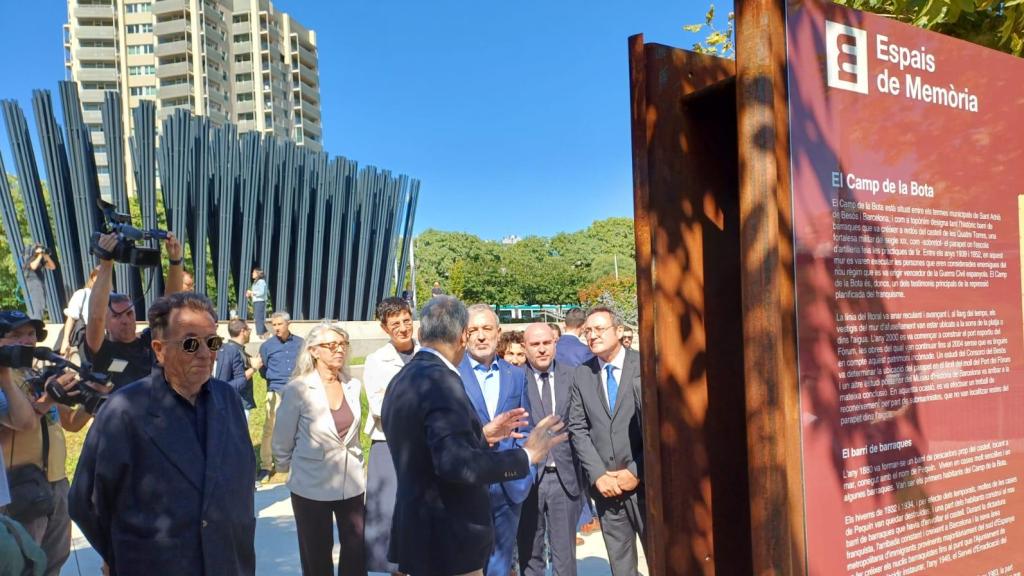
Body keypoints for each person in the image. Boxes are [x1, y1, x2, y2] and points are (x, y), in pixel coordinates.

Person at [69, 292, 256, 576]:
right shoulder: (124, 410)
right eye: (191, 343)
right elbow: (84, 501)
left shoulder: (227, 399)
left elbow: (240, 483)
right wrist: (121, 555)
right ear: (159, 349)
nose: (206, 353)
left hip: (227, 563)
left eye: (212, 341)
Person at [381, 295, 567, 576]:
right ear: (461, 337)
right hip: (448, 539)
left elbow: (432, 446)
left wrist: (482, 434)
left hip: (422, 534)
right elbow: (457, 464)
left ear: (421, 333)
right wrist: (527, 455)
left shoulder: (404, 377)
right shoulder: (441, 382)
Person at [0, 310, 93, 576]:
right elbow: (17, 428)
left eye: (30, 334)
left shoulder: (37, 375)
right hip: (20, 486)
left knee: (54, 562)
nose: (27, 341)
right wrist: (47, 401)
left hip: (56, 482)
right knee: (25, 566)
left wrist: (93, 399)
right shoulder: (3, 380)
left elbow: (71, 424)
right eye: (15, 335)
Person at [273, 323, 366, 576]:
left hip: (351, 482)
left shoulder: (352, 385)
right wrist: (285, 465)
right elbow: (282, 437)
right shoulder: (298, 389)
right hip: (310, 484)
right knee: (316, 555)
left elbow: (352, 434)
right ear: (314, 351)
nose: (340, 350)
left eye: (343, 345)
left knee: (356, 551)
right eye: (331, 345)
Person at [566, 307, 646, 576]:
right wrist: (599, 476)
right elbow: (577, 427)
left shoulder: (645, 365)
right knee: (621, 566)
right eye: (588, 331)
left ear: (620, 331)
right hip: (606, 489)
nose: (592, 335)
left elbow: (661, 428)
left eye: (599, 329)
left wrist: (636, 471)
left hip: (645, 485)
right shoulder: (582, 374)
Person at [457, 304, 533, 576]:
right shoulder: (450, 375)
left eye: (486, 329)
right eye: (473, 330)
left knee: (500, 566)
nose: (480, 336)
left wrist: (526, 474)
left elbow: (526, 427)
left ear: (498, 333)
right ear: (463, 335)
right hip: (465, 487)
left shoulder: (516, 375)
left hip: (508, 488)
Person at [517, 323, 585, 576]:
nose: (542, 349)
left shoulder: (574, 376)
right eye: (535, 344)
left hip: (565, 478)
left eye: (547, 343)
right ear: (525, 348)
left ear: (555, 343)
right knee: (530, 552)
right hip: (528, 478)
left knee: (565, 555)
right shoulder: (515, 379)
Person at [84, 232, 184, 390]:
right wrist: (106, 263)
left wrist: (176, 261)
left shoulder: (149, 342)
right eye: (116, 316)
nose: (125, 320)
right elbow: (96, 316)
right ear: (106, 323)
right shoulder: (101, 350)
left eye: (129, 313)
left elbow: (171, 305)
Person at [362, 297, 418, 574]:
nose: (403, 328)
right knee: (388, 509)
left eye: (406, 321)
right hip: (388, 444)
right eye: (395, 323)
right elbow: (378, 407)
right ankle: (395, 568)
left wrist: (396, 397)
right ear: (384, 328)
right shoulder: (375, 361)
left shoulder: (427, 353)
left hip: (423, 446)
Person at [258, 311, 304, 481]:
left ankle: (295, 463)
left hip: (297, 391)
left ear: (288, 323)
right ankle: (265, 466)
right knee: (270, 428)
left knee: (298, 427)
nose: (276, 328)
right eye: (274, 325)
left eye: (279, 324)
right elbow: (263, 370)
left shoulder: (300, 343)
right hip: (275, 390)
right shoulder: (267, 346)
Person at [214, 319, 262, 420]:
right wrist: (254, 368)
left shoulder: (234, 349)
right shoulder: (233, 351)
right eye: (249, 329)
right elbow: (232, 380)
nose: (249, 332)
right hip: (237, 404)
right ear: (242, 331)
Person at [58, 266, 99, 359]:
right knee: (89, 366)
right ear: (92, 278)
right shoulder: (82, 294)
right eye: (98, 276)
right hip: (86, 337)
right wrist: (65, 341)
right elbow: (71, 317)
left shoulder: (110, 296)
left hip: (104, 338)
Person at [21, 245, 56, 320]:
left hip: (39, 283)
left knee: (41, 304)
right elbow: (33, 266)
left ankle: (37, 323)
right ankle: (36, 325)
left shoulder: (39, 259)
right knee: (38, 305)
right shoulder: (29, 259)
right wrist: (40, 255)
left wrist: (46, 256)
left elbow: (53, 267)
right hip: (34, 284)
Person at [246, 268, 269, 338]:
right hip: (256, 301)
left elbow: (261, 292)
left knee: (259, 318)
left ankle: (260, 334)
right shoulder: (255, 282)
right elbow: (256, 293)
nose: (252, 273)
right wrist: (250, 294)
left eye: (253, 272)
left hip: (260, 301)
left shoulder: (261, 282)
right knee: (257, 317)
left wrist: (252, 292)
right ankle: (265, 332)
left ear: (258, 274)